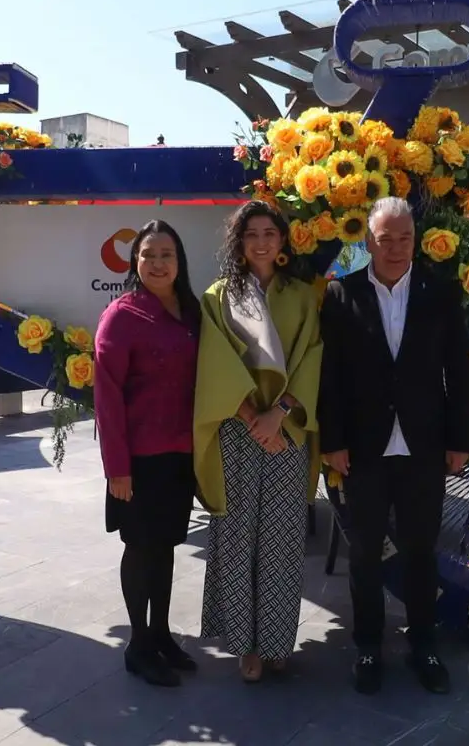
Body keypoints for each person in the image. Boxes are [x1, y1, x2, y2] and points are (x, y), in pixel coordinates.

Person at [318, 197, 469, 696]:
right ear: (369, 241)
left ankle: (423, 644)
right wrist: (334, 442)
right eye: (385, 239)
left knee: (421, 550)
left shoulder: (441, 292)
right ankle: (368, 646)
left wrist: (459, 439)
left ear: (416, 239)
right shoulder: (342, 295)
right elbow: (331, 377)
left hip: (423, 445)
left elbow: (458, 372)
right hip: (363, 448)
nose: (396, 248)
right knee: (364, 553)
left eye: (404, 238)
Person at [194, 200, 323, 683]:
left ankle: (274, 642)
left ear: (283, 241)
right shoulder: (218, 296)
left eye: (270, 232)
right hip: (238, 428)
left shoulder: (303, 297)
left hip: (287, 429)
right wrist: (254, 416)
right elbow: (215, 362)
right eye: (251, 234)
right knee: (236, 536)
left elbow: (312, 357)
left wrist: (281, 414)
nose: (262, 241)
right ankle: (244, 645)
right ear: (239, 242)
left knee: (283, 540)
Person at [94, 219, 202, 688]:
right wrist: (117, 468)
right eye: (148, 255)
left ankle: (161, 634)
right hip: (138, 461)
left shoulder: (192, 312)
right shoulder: (122, 314)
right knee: (140, 550)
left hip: (180, 455)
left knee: (167, 548)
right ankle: (139, 645)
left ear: (179, 262)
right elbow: (107, 395)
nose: (158, 263)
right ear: (135, 262)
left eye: (167, 255)